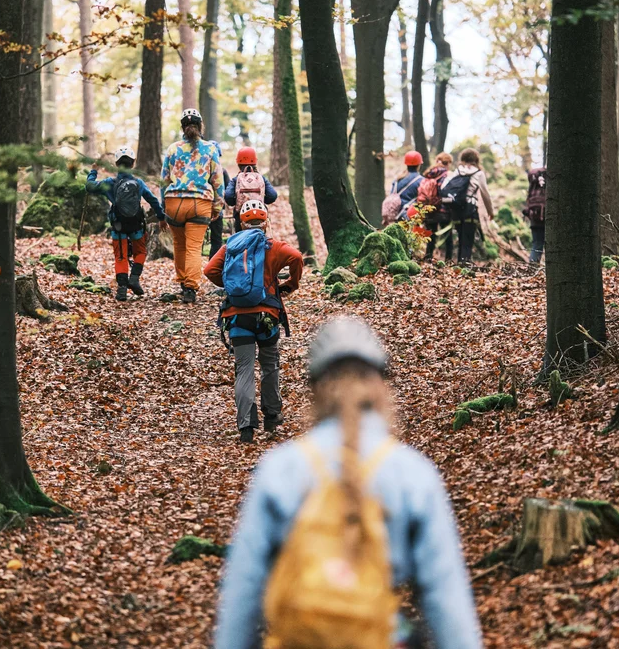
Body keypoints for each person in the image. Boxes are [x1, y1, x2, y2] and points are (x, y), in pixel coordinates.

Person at [213, 317, 482, 649]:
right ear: (380, 385)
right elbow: (445, 598)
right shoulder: (413, 473)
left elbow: (243, 591)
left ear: (315, 390)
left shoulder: (279, 469)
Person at [203, 200, 303, 444]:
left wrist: (230, 287)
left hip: (236, 317)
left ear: (242, 222)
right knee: (269, 364)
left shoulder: (230, 247)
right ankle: (272, 415)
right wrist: (290, 284)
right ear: (265, 222)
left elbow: (208, 271)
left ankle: (246, 427)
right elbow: (297, 258)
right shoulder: (273, 246)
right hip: (266, 316)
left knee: (244, 368)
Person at [160, 108, 225, 304]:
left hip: (174, 203)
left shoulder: (172, 149)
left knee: (179, 245)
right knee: (194, 248)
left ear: (183, 127)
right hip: (200, 202)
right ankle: (190, 288)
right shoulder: (210, 149)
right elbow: (218, 181)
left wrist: (162, 209)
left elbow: (164, 180)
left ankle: (182, 281)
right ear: (200, 126)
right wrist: (217, 207)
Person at [86, 146, 167, 301]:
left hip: (118, 225)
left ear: (117, 164)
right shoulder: (139, 183)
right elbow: (153, 200)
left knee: (121, 256)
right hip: (136, 224)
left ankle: (122, 289)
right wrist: (161, 217)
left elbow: (89, 187)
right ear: (133, 163)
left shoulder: (110, 182)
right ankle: (134, 278)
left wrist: (94, 171)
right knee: (141, 252)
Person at [440, 148, 495, 265]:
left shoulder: (457, 172)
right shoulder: (478, 174)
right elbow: (485, 194)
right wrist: (490, 212)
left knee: (460, 238)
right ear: (476, 160)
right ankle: (465, 264)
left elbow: (443, 187)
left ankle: (460, 263)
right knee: (468, 239)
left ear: (463, 159)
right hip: (470, 208)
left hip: (456, 209)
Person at [408, 151, 454, 262]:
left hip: (429, 209)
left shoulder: (429, 174)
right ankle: (448, 261)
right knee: (447, 237)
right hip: (443, 210)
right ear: (448, 163)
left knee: (430, 236)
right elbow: (447, 194)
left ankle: (428, 258)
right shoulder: (447, 175)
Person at [223, 147, 279, 233]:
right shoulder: (261, 178)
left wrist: (237, 202)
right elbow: (273, 195)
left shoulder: (236, 179)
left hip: (241, 217)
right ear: (255, 162)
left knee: (240, 240)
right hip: (260, 216)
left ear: (238, 163)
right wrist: (262, 201)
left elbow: (228, 197)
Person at [381, 150, 424, 225]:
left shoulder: (397, 179)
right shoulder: (421, 181)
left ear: (406, 164)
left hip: (395, 215)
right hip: (409, 215)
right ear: (419, 165)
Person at [523, 166, 547, 264]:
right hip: (546, 215)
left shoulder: (533, 183)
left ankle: (532, 267)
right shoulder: (550, 180)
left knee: (537, 244)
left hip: (534, 216)